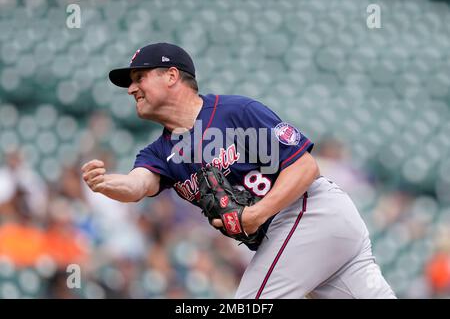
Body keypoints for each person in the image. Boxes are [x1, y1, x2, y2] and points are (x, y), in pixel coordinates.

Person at [81, 42, 396, 298]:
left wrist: (255, 215)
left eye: (139, 78)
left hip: (308, 211)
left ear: (172, 76)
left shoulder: (234, 112)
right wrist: (108, 184)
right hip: (305, 236)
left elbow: (304, 167)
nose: (130, 89)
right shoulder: (160, 153)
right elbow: (137, 185)